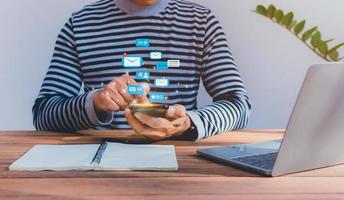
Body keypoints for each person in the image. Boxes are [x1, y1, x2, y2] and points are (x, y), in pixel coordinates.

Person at [33, 0, 251, 141]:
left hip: (182, 161)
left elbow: (238, 105)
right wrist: (97, 102)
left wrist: (189, 123)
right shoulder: (80, 24)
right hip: (101, 165)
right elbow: (44, 114)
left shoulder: (201, 23)